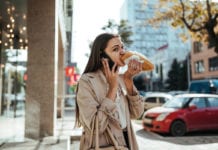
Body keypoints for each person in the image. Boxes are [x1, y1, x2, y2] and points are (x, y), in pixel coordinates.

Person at [75, 33, 144, 150]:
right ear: (103, 56)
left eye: (122, 47)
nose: (122, 52)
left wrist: (128, 81)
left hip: (128, 144)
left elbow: (137, 114)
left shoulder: (123, 79)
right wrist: (112, 89)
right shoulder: (87, 81)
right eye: (116, 49)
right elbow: (95, 127)